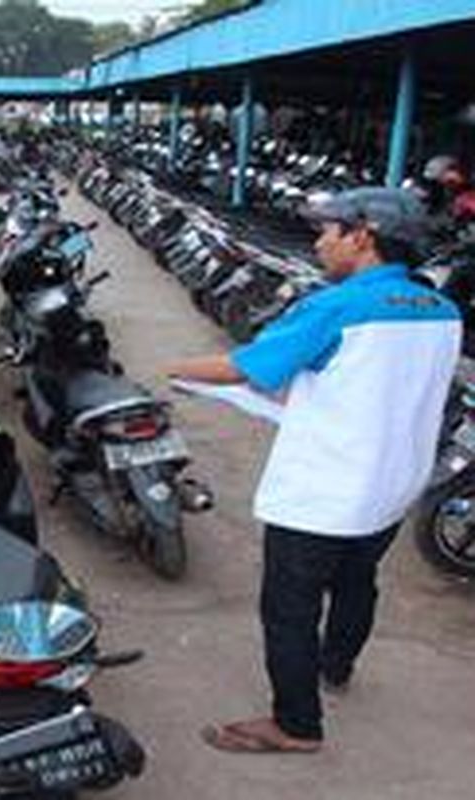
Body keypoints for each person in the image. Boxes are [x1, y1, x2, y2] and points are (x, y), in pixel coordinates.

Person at [166, 188, 462, 754]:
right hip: (394, 484)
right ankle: (336, 666)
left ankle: (296, 725)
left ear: (363, 237)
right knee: (357, 579)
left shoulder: (337, 306)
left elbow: (245, 366)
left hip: (327, 490)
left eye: (330, 230)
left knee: (289, 608)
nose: (320, 241)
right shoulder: (441, 309)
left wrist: (171, 366)